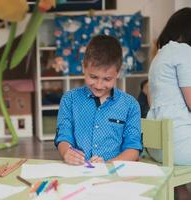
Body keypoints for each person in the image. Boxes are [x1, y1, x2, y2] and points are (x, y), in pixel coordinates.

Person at [54, 35, 142, 165]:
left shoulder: (130, 105)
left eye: (107, 79)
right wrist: (67, 152)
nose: (99, 85)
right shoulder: (69, 100)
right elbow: (63, 137)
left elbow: (133, 149)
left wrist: (108, 164)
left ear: (118, 73)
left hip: (114, 175)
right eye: (93, 77)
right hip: (78, 172)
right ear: (84, 67)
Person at [146, 7, 191, 200]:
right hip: (179, 145)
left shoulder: (158, 57)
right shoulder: (183, 51)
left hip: (157, 146)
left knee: (180, 183)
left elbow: (151, 100)